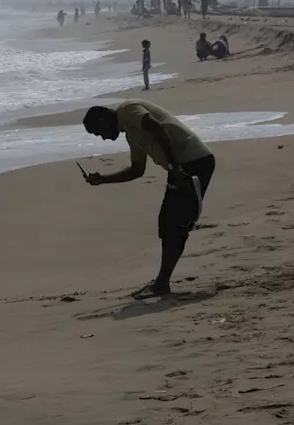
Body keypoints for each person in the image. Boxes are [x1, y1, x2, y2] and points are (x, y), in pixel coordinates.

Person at [81, 99, 216, 299]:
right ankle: (162, 282)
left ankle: (162, 284)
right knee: (168, 223)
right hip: (180, 167)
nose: (102, 139)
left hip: (192, 162)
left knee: (175, 223)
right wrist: (103, 180)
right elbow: (137, 170)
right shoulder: (131, 134)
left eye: (97, 133)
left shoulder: (127, 110)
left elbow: (157, 127)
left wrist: (174, 165)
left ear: (102, 121)